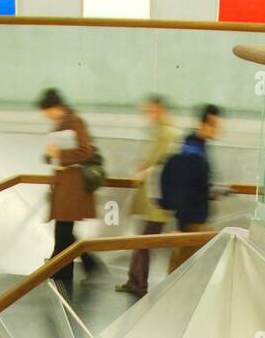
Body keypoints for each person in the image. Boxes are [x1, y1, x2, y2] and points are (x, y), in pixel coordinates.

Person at [37, 88, 100, 300]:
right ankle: (83, 264)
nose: (46, 116)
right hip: (64, 188)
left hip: (72, 188)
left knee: (63, 232)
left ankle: (60, 273)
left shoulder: (75, 122)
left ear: (55, 107)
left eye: (47, 111)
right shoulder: (63, 125)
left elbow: (85, 152)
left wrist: (59, 154)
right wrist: (49, 155)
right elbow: (57, 156)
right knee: (64, 232)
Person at [115, 96, 179, 298]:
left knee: (144, 243)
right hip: (155, 198)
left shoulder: (167, 133)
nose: (147, 115)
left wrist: (145, 171)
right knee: (144, 242)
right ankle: (135, 280)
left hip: (156, 199)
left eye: (149, 110)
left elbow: (163, 164)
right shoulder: (163, 132)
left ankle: (137, 282)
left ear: (159, 109)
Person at [160, 104, 223, 272]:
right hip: (191, 222)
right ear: (203, 124)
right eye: (214, 125)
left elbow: (197, 185)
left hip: (196, 220)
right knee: (181, 270)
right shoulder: (192, 152)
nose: (217, 130)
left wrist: (211, 192)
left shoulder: (199, 147)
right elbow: (185, 190)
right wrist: (180, 227)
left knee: (182, 268)